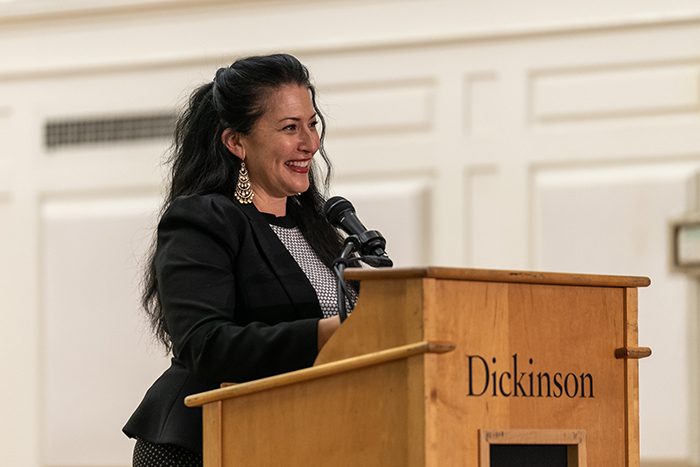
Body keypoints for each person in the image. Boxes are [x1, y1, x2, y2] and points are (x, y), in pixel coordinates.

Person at [123, 53, 354, 467]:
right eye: (290, 128)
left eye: (312, 123)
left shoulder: (316, 229)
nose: (311, 143)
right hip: (202, 445)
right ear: (236, 142)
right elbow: (204, 343)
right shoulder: (203, 220)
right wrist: (328, 333)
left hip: (295, 439)